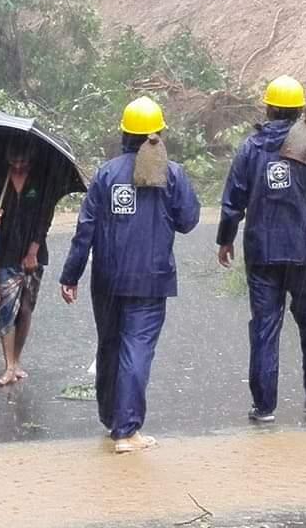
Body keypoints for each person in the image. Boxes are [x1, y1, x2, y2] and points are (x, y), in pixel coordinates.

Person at [59, 97, 200, 453]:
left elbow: (85, 229)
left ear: (124, 133)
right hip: (150, 279)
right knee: (136, 349)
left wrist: (70, 275)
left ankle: (112, 418)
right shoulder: (172, 173)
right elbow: (188, 221)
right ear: (158, 134)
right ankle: (126, 430)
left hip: (106, 279)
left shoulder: (106, 175)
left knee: (109, 345)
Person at [216, 75, 306, 423]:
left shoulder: (250, 147)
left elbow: (232, 203)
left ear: (268, 108)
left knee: (265, 326)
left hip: (262, 253)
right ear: (300, 109)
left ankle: (264, 408)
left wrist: (225, 239)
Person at [0, 138, 56, 387]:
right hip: (7, 250)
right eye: (14, 162)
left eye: (23, 163)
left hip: (34, 252)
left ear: (31, 161)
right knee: (7, 308)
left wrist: (33, 252)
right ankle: (8, 365)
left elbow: (44, 219)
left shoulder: (42, 180)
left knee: (26, 308)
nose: (18, 167)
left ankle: (17, 360)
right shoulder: (0, 180)